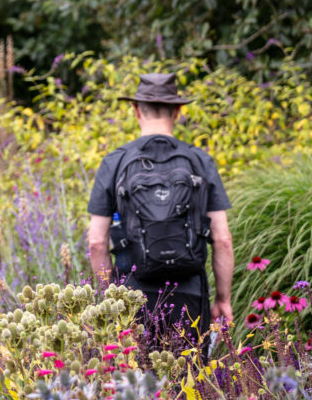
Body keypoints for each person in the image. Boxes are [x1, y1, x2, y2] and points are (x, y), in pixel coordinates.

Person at [87, 73, 234, 348]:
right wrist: (223, 300)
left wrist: (110, 302)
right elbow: (223, 240)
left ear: (135, 110)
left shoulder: (115, 162)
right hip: (190, 295)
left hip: (131, 297)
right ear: (177, 111)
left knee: (136, 386)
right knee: (192, 385)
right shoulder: (200, 161)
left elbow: (96, 243)